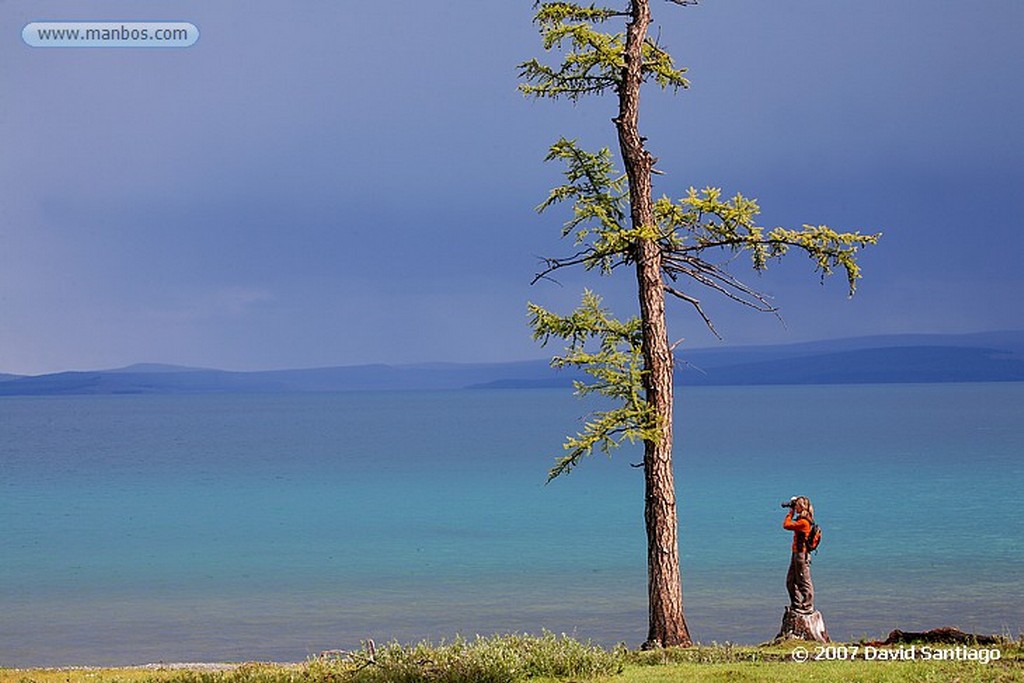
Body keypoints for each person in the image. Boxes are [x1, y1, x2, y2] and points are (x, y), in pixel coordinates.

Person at [783, 495, 815, 614]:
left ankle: (807, 606)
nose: (795, 507)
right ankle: (796, 604)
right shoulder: (802, 519)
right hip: (796, 554)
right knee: (790, 581)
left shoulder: (804, 522)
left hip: (802, 555)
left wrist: (790, 513)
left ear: (801, 507)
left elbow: (786, 525)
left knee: (803, 581)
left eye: (796, 506)